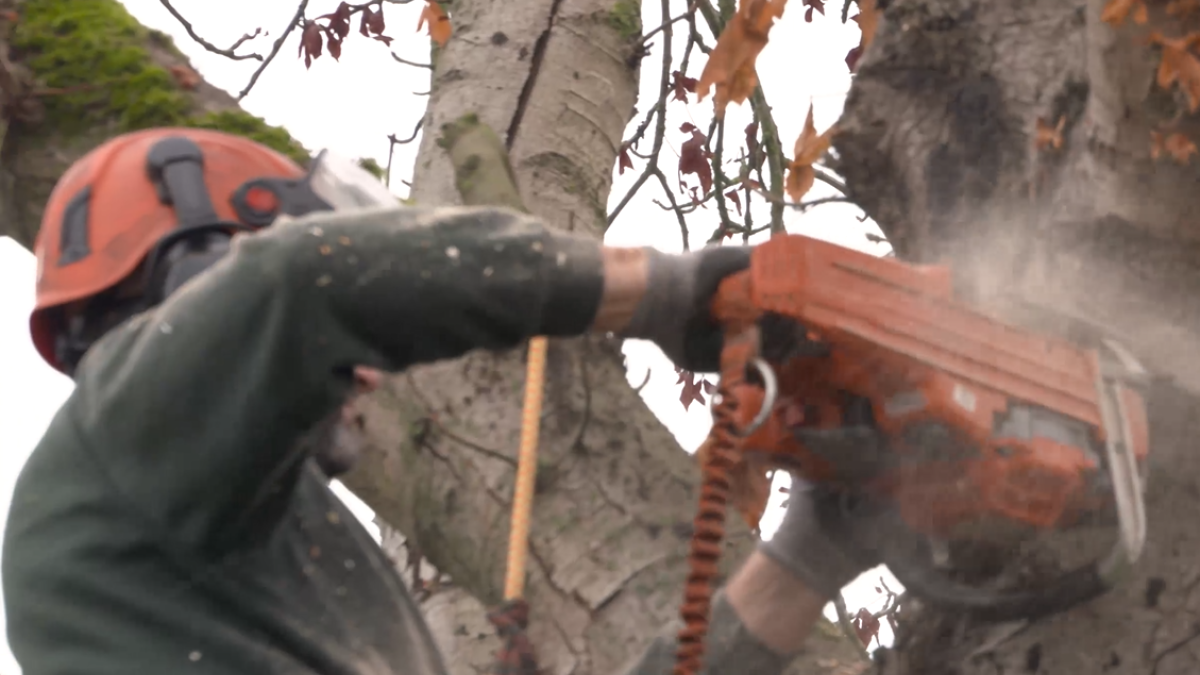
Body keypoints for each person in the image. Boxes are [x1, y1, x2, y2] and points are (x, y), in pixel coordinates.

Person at [3, 128, 883, 675]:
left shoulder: (280, 557)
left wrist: (810, 552)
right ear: (195, 279)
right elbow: (303, 279)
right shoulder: (106, 467)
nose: (368, 378)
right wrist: (669, 291)